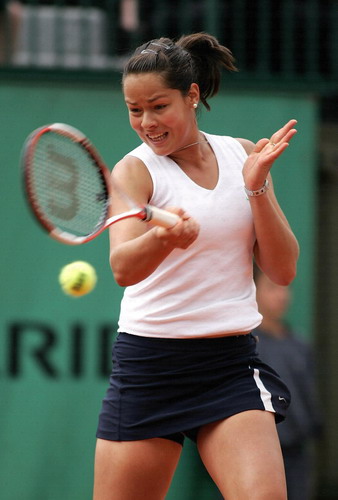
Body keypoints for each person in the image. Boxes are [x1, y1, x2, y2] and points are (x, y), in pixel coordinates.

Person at [93, 32, 300, 500]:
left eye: (158, 106)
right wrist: (165, 239)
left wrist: (256, 187)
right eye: (134, 109)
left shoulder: (243, 154)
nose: (146, 122)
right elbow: (123, 269)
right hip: (150, 369)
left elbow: (283, 269)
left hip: (228, 365)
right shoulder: (134, 171)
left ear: (191, 96)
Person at [253, 266, 322, 500]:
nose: (282, 296)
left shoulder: (300, 345)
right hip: (255, 456)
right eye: (272, 288)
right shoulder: (244, 346)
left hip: (297, 456)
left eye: (286, 288)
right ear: (253, 291)